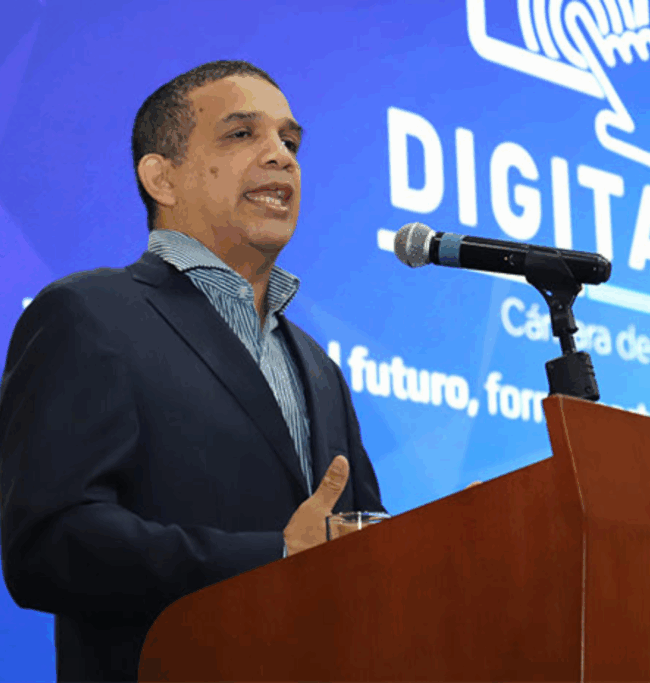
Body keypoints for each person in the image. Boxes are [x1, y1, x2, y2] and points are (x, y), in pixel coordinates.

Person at [0, 60, 385, 682]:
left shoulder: (318, 367)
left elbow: (361, 548)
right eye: (242, 135)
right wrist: (277, 554)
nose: (281, 157)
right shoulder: (88, 314)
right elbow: (49, 545)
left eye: (289, 141)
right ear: (162, 178)